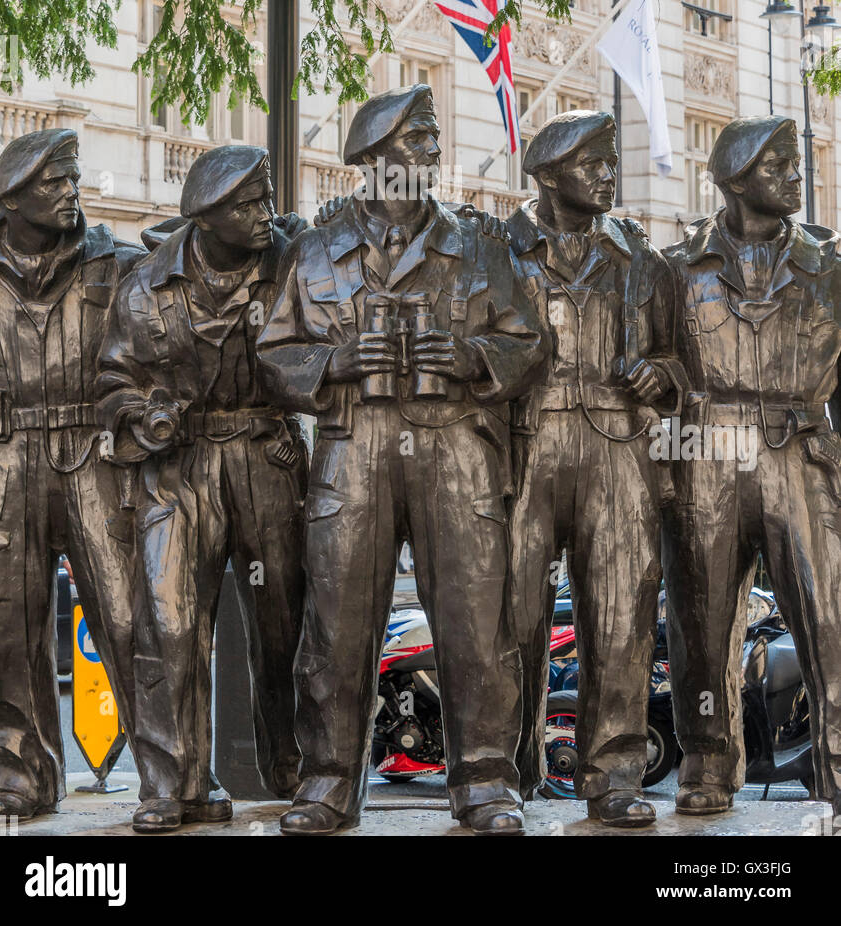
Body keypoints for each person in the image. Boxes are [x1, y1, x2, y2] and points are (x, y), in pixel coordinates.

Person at [257, 84, 545, 836]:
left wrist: (474, 356)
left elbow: (527, 345)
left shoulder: (480, 245)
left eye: (431, 138)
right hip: (354, 446)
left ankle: (484, 781)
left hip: (456, 446)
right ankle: (328, 783)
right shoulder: (316, 249)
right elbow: (276, 354)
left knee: (476, 617)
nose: (433, 151)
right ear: (375, 159)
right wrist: (338, 362)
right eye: (417, 140)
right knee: (337, 625)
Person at [96, 145, 308, 833]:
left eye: (266, 198)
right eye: (247, 205)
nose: (263, 214)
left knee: (289, 623)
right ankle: (174, 784)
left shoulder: (292, 264)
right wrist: (141, 415)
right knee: (171, 624)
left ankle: (296, 770)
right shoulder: (145, 284)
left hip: (265, 455)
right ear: (207, 215)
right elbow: (112, 381)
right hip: (178, 468)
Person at [508, 110, 685, 826]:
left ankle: (614, 776)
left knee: (621, 615)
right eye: (593, 163)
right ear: (549, 175)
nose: (610, 174)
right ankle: (504, 773)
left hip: (619, 447)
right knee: (508, 615)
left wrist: (662, 375)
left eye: (611, 161)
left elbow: (681, 364)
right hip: (528, 444)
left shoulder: (643, 260)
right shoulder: (501, 251)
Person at [663, 115, 841, 817]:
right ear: (736, 180)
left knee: (830, 617)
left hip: (800, 452)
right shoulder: (677, 269)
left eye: (797, 165)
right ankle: (707, 763)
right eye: (780, 168)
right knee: (701, 619)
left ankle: (837, 764)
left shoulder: (830, 269)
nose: (798, 178)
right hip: (707, 453)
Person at [0, 128, 143, 821]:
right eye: (54, 182)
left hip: (90, 455)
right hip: (2, 461)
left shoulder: (118, 263)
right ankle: (22, 773)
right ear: (11, 200)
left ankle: (171, 771)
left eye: (73, 178)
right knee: (6, 629)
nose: (71, 191)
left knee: (132, 616)